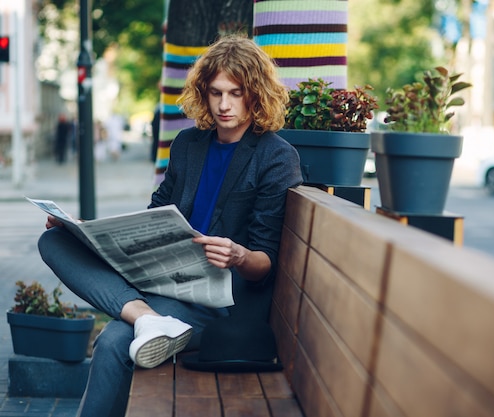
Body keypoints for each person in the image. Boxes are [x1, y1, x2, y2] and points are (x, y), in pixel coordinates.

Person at [37, 34, 302, 417]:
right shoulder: (188, 145)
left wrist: (239, 255)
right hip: (164, 284)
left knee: (113, 341)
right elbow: (155, 214)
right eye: (215, 93)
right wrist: (87, 231)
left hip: (220, 302)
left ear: (256, 94)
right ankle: (146, 319)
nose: (224, 105)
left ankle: (144, 319)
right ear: (203, 93)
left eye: (236, 93)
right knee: (55, 241)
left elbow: (266, 262)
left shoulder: (276, 157)